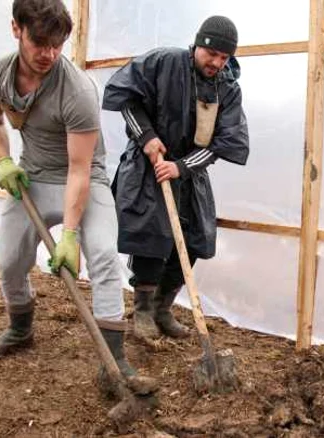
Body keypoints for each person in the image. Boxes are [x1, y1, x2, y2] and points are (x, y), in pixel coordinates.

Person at [0, 0, 156, 396]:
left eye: (58, 44)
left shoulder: (77, 89)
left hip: (84, 177)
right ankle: (20, 330)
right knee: (8, 260)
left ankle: (115, 362)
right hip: (33, 175)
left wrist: (70, 235)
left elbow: (79, 167)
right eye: (40, 42)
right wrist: (4, 160)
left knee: (105, 255)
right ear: (16, 29)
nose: (49, 54)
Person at [102, 16, 249, 341]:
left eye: (224, 57)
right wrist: (147, 137)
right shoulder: (163, 62)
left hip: (189, 171)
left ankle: (161, 308)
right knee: (152, 235)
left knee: (195, 238)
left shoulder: (226, 87)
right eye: (212, 54)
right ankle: (141, 312)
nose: (217, 62)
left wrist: (182, 167)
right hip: (147, 164)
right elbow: (126, 98)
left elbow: (226, 143)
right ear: (198, 45)